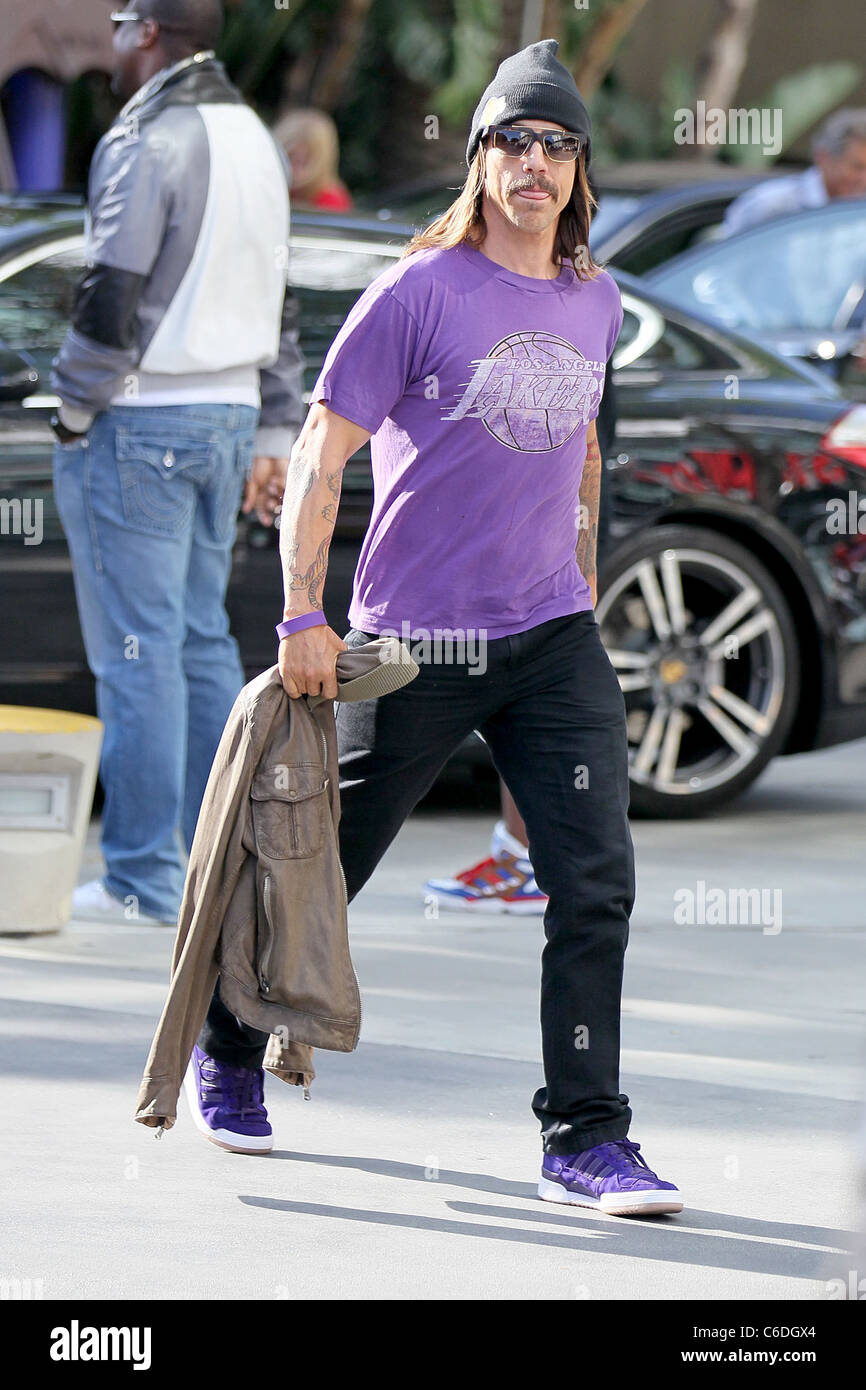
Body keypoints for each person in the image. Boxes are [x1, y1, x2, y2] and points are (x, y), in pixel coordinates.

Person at [189, 38, 682, 1218]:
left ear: (576, 170)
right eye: (511, 140)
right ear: (478, 161)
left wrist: (576, 569)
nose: (533, 162)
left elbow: (582, 445)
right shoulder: (416, 292)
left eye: (555, 144)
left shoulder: (595, 296)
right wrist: (303, 610)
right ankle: (227, 1037)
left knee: (593, 882)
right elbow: (320, 450)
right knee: (322, 869)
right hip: (417, 644)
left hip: (550, 638)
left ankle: (585, 1136)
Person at [51, 0, 304, 926]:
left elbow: (109, 297)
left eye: (116, 26)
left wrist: (74, 407)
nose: (108, 47)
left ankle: (143, 878)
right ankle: (213, 873)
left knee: (139, 655)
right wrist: (276, 428)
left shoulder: (147, 137)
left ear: (146, 31)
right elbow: (280, 296)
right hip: (230, 414)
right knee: (198, 643)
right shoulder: (257, 140)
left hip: (145, 418)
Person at [423, 362, 619, 914]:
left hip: (546, 521)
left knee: (532, 687)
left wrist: (585, 570)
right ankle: (523, 856)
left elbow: (589, 450)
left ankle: (526, 860)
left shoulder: (583, 297)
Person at [721, 107, 866, 237]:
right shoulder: (772, 206)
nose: (863, 179)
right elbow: (727, 258)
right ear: (823, 158)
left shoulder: (858, 213)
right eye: (858, 167)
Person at [273, 108, 353, 211]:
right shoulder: (274, 189)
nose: (294, 170)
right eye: (289, 159)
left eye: (303, 162)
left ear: (321, 165)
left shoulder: (331, 201)